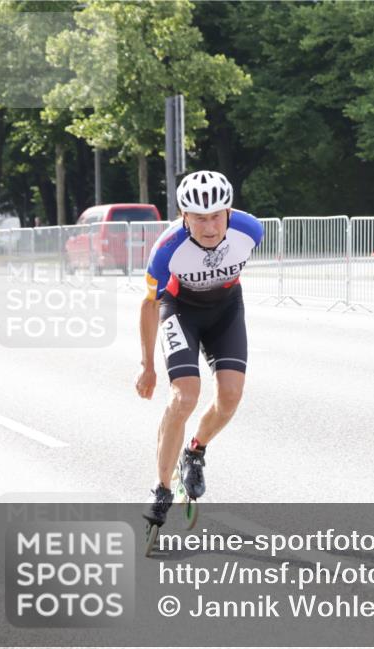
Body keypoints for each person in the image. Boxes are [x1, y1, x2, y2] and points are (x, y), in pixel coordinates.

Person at [135, 170, 264, 529]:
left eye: (217, 216)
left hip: (225, 310)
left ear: (230, 212)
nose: (209, 227)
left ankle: (195, 450)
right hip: (180, 311)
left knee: (231, 397)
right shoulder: (166, 249)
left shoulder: (251, 230)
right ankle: (161, 489)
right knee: (185, 397)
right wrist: (147, 366)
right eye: (199, 218)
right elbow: (149, 304)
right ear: (183, 216)